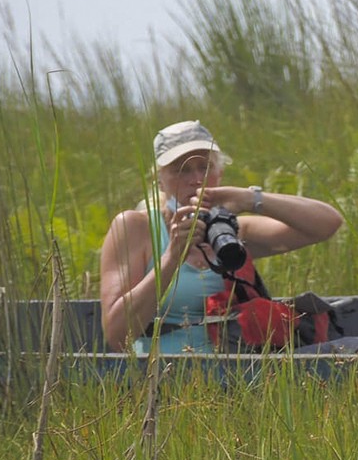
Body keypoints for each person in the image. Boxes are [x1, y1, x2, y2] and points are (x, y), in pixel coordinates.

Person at [99, 120, 344, 353]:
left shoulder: (233, 230)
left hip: (241, 375)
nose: (196, 180)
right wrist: (172, 256)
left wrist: (251, 199)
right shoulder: (135, 227)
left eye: (205, 167)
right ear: (160, 181)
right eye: (181, 170)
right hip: (163, 375)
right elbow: (117, 336)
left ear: (220, 173)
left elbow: (327, 223)